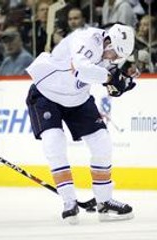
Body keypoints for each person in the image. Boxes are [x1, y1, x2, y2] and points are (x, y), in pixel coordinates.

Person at [25, 23, 136, 224]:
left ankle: (104, 201)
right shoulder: (87, 39)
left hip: (77, 98)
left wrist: (119, 85)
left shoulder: (107, 53)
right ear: (108, 42)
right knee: (54, 142)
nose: (116, 60)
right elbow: (80, 69)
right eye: (116, 54)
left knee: (102, 143)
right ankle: (69, 202)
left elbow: (109, 81)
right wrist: (110, 78)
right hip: (46, 93)